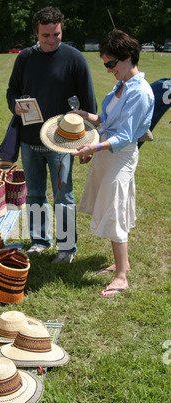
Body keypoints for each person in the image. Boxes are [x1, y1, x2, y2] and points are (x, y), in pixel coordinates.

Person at [6, 6, 97, 264]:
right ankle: (39, 241)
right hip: (29, 140)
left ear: (61, 29)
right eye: (45, 35)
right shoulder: (24, 58)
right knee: (34, 193)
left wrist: (86, 142)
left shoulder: (74, 58)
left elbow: (89, 104)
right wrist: (15, 104)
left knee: (63, 196)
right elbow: (12, 90)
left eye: (56, 34)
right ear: (36, 32)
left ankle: (67, 247)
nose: (51, 40)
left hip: (61, 143)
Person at [70, 29, 154, 297]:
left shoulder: (140, 91)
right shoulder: (121, 86)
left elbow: (126, 135)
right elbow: (107, 122)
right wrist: (85, 115)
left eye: (111, 63)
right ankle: (121, 263)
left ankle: (121, 277)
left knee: (116, 209)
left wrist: (92, 146)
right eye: (106, 64)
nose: (108, 70)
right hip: (108, 154)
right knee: (110, 205)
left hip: (120, 156)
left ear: (128, 57)